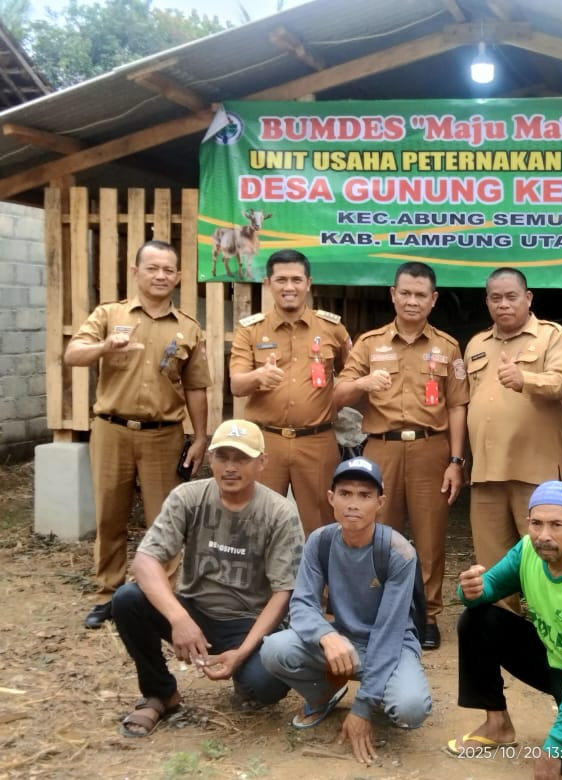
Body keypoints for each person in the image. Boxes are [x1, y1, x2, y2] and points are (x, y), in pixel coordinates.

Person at [110, 419, 303, 737]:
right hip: (194, 611)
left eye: (241, 458)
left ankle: (245, 677)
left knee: (265, 687)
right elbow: (145, 560)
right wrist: (178, 618)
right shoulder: (188, 497)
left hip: (248, 620)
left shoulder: (280, 513)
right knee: (128, 600)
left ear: (262, 463)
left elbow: (284, 592)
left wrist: (242, 653)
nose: (230, 467)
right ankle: (161, 693)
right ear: (210, 459)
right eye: (222, 456)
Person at [64, 239, 211, 630]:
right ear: (136, 272)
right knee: (109, 516)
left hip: (163, 435)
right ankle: (107, 594)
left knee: (164, 521)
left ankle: (158, 598)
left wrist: (200, 438)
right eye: (153, 268)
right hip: (112, 431)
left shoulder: (188, 329)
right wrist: (104, 346)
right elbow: (72, 354)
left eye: (168, 270)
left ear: (178, 276)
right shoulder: (109, 315)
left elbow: (197, 387)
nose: (161, 275)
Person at [448, 481, 562, 780]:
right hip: (552, 660)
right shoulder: (527, 550)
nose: (543, 536)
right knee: (477, 619)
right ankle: (497, 725)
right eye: (536, 523)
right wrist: (470, 591)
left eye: (556, 525)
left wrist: (555, 744)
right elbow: (490, 587)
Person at [260, 456, 431, 766]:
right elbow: (301, 604)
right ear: (331, 498)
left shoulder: (398, 552)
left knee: (410, 709)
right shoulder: (319, 541)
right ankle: (324, 694)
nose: (354, 504)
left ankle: (375, 694)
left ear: (380, 503)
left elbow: (389, 632)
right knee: (274, 648)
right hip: (342, 641)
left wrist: (363, 708)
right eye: (345, 494)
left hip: (390, 646)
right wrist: (327, 635)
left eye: (365, 496)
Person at [334, 261, 468, 650]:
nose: (412, 301)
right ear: (393, 294)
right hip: (382, 448)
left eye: (420, 295)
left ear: (433, 299)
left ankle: (425, 615)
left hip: (431, 447)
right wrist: (362, 382)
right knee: (377, 535)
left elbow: (458, 405)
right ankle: (378, 611)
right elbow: (338, 395)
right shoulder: (369, 343)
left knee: (429, 539)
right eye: (405, 293)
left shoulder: (447, 346)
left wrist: (456, 461)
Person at [464, 268, 562, 607]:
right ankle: (505, 641)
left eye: (511, 296)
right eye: (495, 298)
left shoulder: (551, 336)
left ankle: (553, 641)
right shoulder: (476, 344)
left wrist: (524, 378)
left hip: (535, 475)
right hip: (486, 475)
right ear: (487, 302)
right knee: (495, 570)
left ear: (528, 298)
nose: (503, 305)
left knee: (549, 561)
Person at [229, 249, 352, 535]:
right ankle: (263, 581)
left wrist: (337, 399)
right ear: (268, 282)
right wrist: (258, 376)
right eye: (281, 280)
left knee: (322, 523)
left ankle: (321, 582)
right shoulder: (251, 331)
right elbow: (236, 385)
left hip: (317, 440)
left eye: (296, 280)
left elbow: (353, 372)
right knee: (257, 520)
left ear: (308, 283)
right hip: (265, 441)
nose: (289, 287)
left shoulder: (332, 329)